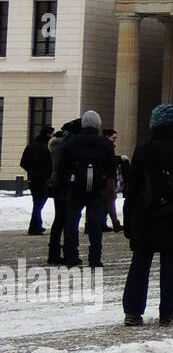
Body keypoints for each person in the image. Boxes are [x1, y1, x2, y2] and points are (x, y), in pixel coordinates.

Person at [122, 103, 173, 327]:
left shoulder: (142, 149)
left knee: (140, 264)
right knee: (170, 266)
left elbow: (132, 188)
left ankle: (132, 312)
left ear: (154, 125)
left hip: (145, 214)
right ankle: (167, 314)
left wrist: (127, 218)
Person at [61, 110, 117, 269]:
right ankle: (94, 258)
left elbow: (63, 167)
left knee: (71, 221)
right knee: (95, 224)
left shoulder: (72, 142)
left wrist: (65, 184)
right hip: (96, 188)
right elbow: (111, 170)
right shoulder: (105, 143)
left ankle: (71, 256)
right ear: (98, 124)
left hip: (76, 187)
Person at [46, 120, 79, 265]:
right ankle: (68, 253)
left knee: (59, 220)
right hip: (66, 186)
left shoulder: (57, 146)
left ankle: (53, 253)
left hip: (57, 186)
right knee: (67, 220)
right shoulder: (69, 147)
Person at [20, 124, 54, 235]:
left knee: (37, 202)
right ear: (48, 134)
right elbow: (51, 164)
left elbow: (23, 163)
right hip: (44, 179)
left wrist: (31, 171)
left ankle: (37, 225)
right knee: (39, 203)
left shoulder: (30, 146)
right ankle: (34, 227)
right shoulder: (48, 148)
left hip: (32, 179)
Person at [103, 128, 126, 232]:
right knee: (110, 201)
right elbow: (110, 160)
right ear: (108, 136)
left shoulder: (104, 144)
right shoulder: (107, 145)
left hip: (104, 176)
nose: (115, 140)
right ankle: (115, 223)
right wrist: (120, 159)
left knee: (105, 201)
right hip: (108, 177)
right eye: (114, 138)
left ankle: (104, 223)